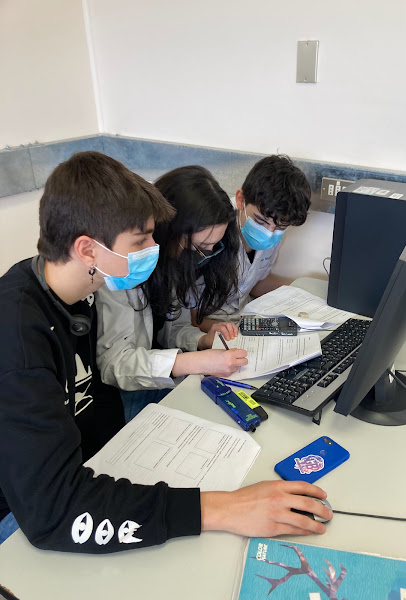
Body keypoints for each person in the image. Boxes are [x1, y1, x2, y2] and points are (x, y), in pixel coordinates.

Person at [0, 151, 332, 550]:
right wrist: (224, 508)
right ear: (88, 250)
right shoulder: (19, 336)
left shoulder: (79, 292)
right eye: (142, 240)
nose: (155, 248)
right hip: (21, 518)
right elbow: (53, 511)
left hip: (96, 460)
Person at [96, 165, 246, 422]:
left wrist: (202, 340)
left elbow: (171, 328)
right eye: (200, 247)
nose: (204, 256)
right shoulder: (121, 271)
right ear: (169, 230)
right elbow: (115, 364)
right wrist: (194, 362)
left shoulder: (173, 263)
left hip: (158, 379)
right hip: (122, 395)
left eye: (213, 247)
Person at [194, 154, 312, 331]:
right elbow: (191, 319)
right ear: (241, 200)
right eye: (261, 221)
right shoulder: (212, 236)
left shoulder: (273, 234)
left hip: (242, 319)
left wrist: (296, 294)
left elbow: (253, 282)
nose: (269, 232)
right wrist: (230, 332)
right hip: (208, 328)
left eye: (281, 226)